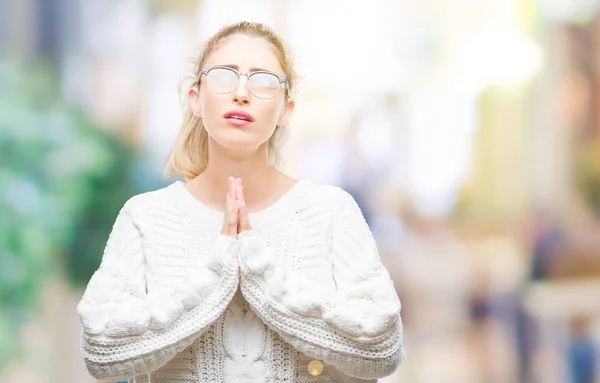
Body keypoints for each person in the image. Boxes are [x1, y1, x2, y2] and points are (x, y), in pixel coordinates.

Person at [76, 21, 404, 382]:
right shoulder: (146, 217)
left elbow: (383, 348)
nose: (242, 93)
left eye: (262, 80)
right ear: (195, 98)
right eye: (224, 75)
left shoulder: (331, 211)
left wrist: (261, 274)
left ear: (286, 110)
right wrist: (215, 274)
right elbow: (101, 349)